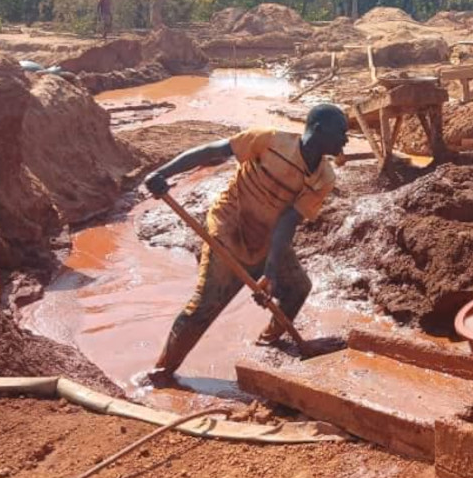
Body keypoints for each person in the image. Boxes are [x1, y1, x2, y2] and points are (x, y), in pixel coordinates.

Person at [141, 104, 349, 384]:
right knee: (205, 305)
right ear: (319, 129)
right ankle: (162, 371)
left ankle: (269, 340)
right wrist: (164, 173)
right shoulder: (269, 140)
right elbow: (213, 151)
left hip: (266, 238)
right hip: (229, 229)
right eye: (342, 133)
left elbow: (287, 223)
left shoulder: (325, 177)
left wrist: (271, 272)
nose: (346, 140)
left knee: (298, 288)